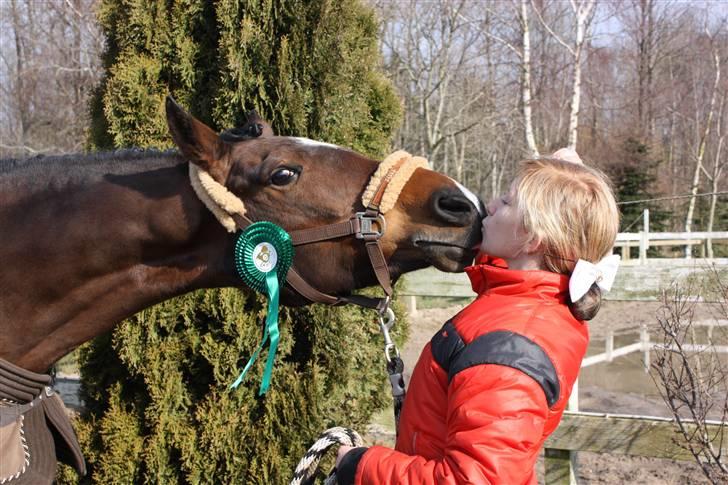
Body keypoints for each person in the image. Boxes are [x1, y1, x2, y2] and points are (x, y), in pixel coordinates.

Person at [334, 150, 620, 484]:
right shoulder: (532, 302)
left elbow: (475, 480)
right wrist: (565, 174)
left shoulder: (507, 356)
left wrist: (360, 466)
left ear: (532, 239)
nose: (491, 205)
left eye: (507, 201)